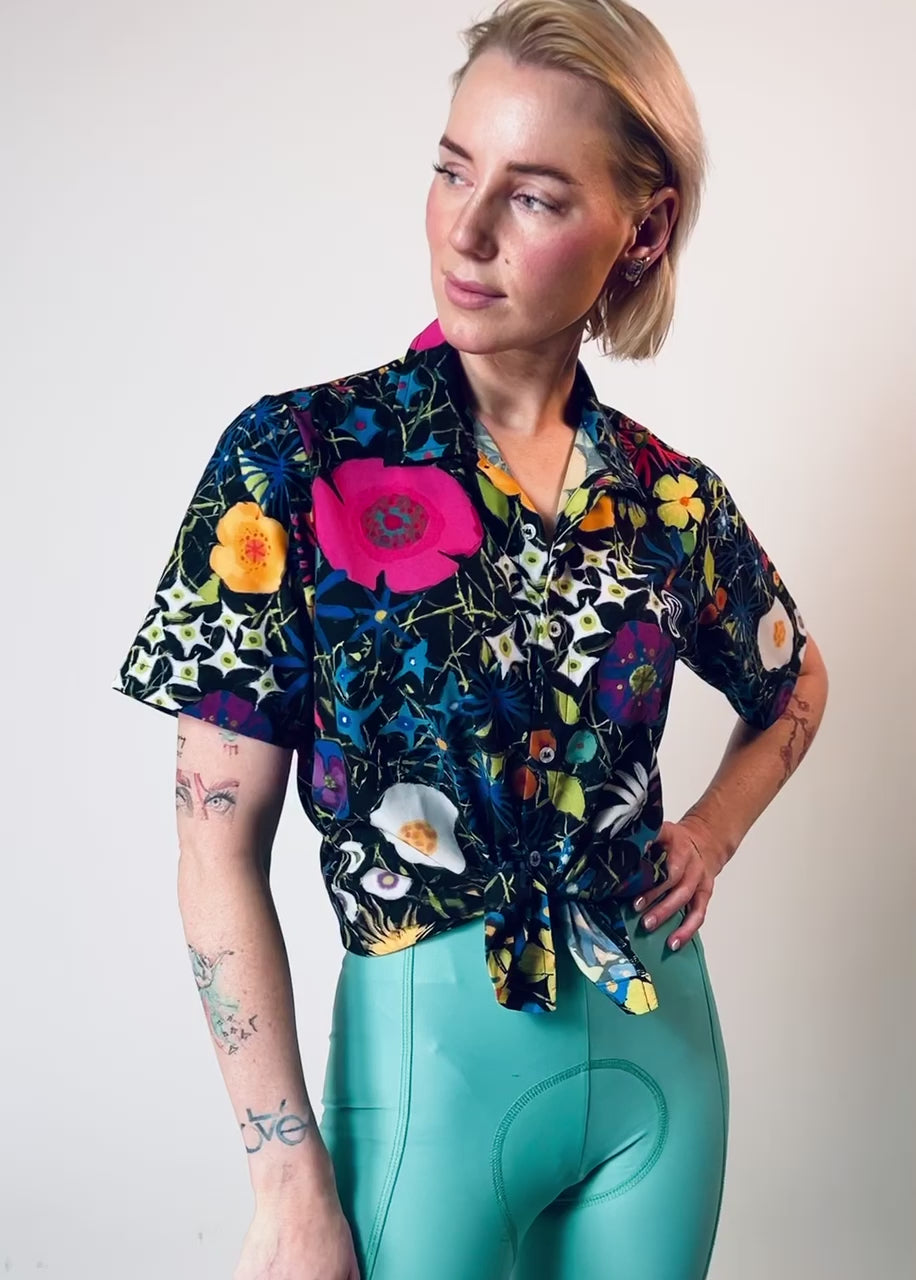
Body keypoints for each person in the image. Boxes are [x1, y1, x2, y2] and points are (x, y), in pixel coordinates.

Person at [113, 2, 829, 1277]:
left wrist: (711, 829)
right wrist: (287, 1184)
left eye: (537, 195)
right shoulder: (295, 462)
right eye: (453, 167)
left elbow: (793, 679)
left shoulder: (668, 496)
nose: (467, 225)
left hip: (664, 1061)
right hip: (426, 1085)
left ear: (642, 228)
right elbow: (213, 843)